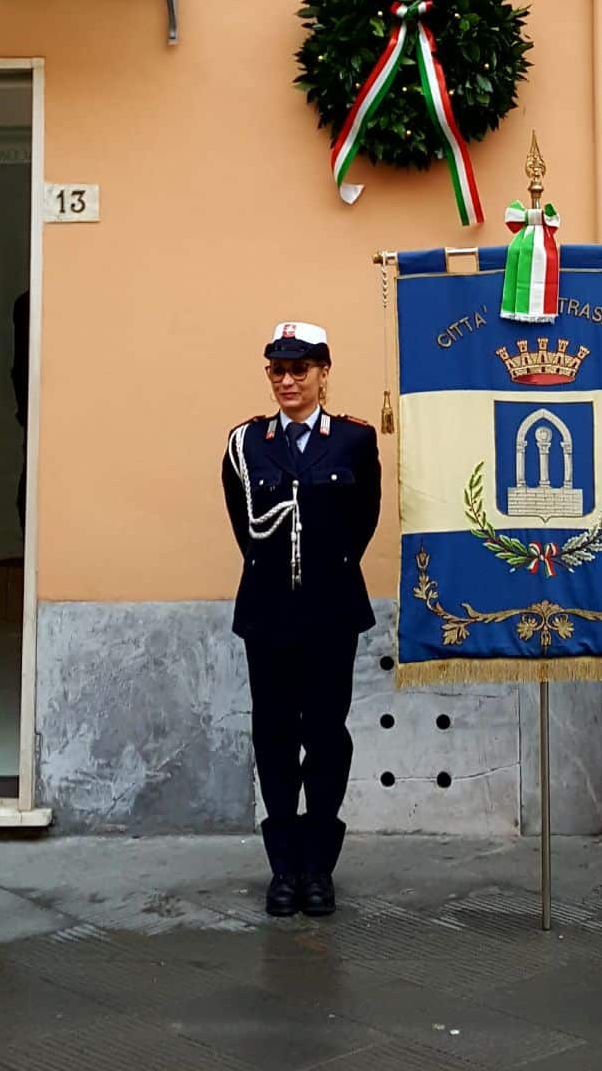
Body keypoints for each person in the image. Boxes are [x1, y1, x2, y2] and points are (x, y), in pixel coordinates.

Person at [223, 320, 381, 917]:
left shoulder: (353, 441)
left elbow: (361, 521)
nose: (288, 380)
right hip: (267, 613)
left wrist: (325, 572)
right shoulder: (246, 443)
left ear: (322, 374)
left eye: (300, 369)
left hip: (330, 610)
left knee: (325, 736)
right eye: (278, 370)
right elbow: (247, 530)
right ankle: (283, 865)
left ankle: (319, 864)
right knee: (274, 736)